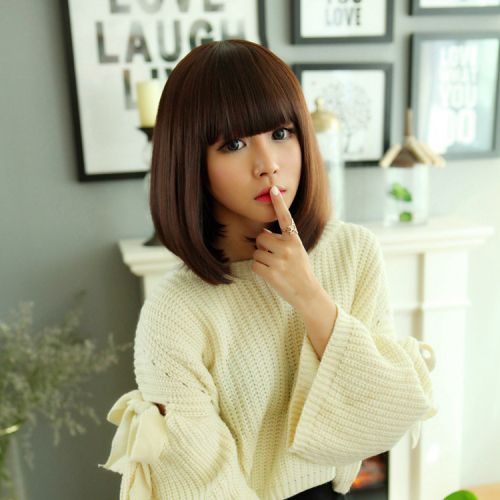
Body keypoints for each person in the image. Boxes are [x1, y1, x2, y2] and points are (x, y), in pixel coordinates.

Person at [99, 39, 437, 499]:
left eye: (281, 133)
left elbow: (388, 411)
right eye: (234, 144)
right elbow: (203, 484)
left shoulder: (352, 252)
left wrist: (310, 297)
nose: (268, 165)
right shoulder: (175, 311)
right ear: (191, 160)